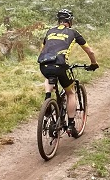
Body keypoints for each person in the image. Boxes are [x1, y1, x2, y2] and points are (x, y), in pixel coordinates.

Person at [38, 9, 99, 137]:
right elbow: (90, 51)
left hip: (44, 65)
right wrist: (93, 63)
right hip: (60, 66)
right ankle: (71, 125)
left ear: (58, 20)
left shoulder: (50, 31)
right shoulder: (73, 32)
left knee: (49, 77)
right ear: (70, 21)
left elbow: (42, 50)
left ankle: (48, 98)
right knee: (70, 92)